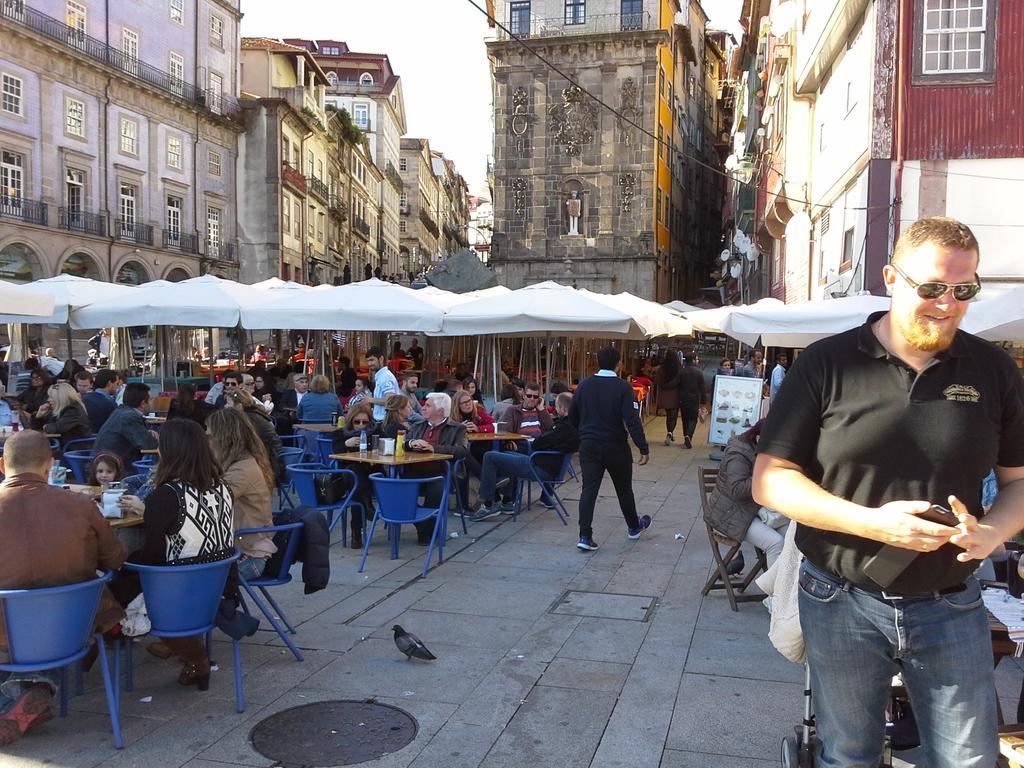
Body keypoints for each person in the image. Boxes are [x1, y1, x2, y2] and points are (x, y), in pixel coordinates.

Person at [752, 216, 1024, 768]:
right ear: (891, 278)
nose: (947, 304)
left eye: (963, 289)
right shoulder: (828, 364)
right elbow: (770, 478)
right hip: (840, 596)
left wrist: (996, 528)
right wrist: (873, 523)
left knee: (968, 760)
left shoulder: (994, 370)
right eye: (931, 288)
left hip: (951, 600)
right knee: (849, 755)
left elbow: (1019, 482)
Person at [0, 431, 126, 747]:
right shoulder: (81, 504)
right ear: (50, 465)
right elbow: (116, 557)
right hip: (72, 629)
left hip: (5, 636)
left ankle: (28, 688)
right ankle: (35, 686)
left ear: (3, 465)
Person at [121, 419, 236, 691]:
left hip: (179, 597)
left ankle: (195, 657)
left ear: (170, 452)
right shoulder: (223, 488)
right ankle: (192, 657)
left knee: (106, 588)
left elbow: (153, 561)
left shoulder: (166, 495)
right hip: (217, 591)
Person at [569, 346, 651, 551]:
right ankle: (633, 526)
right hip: (616, 445)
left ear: (597, 361)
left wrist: (584, 431)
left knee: (589, 490)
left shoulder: (584, 386)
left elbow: (572, 414)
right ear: (619, 363)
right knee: (624, 488)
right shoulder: (623, 388)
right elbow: (632, 420)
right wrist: (643, 447)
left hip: (589, 445)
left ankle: (585, 535)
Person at [475, 392, 579, 519]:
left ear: (563, 408)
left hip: (539, 468)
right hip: (546, 465)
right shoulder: (574, 425)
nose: (555, 409)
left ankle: (488, 505)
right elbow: (546, 439)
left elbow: (538, 442)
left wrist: (544, 439)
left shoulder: (564, 427)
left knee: (490, 456)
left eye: (556, 406)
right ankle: (504, 493)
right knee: (506, 454)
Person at [206, 408, 277, 579]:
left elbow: (208, 504)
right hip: (248, 550)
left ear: (223, 438)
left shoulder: (241, 471)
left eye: (208, 436)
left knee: (193, 577)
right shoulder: (243, 462)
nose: (206, 441)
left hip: (249, 558)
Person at [704, 421, 785, 567]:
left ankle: (787, 586)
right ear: (760, 438)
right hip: (729, 515)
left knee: (793, 537)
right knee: (776, 543)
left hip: (753, 510)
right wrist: (768, 475)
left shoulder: (761, 450)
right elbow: (737, 489)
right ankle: (777, 590)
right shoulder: (738, 452)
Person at [403, 393, 469, 545]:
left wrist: (433, 448)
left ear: (440, 410)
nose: (423, 408)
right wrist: (412, 443)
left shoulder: (458, 428)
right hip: (415, 470)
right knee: (395, 486)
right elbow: (402, 443)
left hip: (442, 471)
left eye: (428, 405)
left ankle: (427, 533)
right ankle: (424, 526)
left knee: (437, 486)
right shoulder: (418, 425)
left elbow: (462, 451)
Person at [330, 402, 378, 548]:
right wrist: (346, 444)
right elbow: (334, 453)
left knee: (358, 489)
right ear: (351, 421)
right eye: (357, 422)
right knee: (354, 476)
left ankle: (356, 532)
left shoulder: (376, 432)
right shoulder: (340, 434)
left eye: (365, 422)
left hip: (372, 471)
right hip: (349, 474)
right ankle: (366, 505)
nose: (361, 425)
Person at [93, 382, 159, 467]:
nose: (152, 402)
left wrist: (146, 433)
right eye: (150, 399)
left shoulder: (121, 411)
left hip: (105, 463)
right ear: (143, 403)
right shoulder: (130, 417)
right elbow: (148, 444)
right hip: (114, 468)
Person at [227, 390, 283, 482]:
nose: (226, 406)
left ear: (239, 406)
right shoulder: (252, 414)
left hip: (268, 464)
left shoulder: (248, 419)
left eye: (229, 403)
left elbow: (242, 443)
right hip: (266, 459)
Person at [31, 381, 92, 447]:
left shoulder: (73, 410)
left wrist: (46, 427)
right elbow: (37, 428)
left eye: (51, 397)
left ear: (60, 398)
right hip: (63, 445)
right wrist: (38, 416)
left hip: (75, 449)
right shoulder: (58, 409)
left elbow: (57, 428)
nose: (48, 399)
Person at [677, 351, 707, 449]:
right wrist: (703, 402)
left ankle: (686, 436)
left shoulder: (681, 371)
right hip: (694, 399)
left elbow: (676, 384)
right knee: (693, 419)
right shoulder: (699, 372)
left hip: (682, 399)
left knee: (685, 419)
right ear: (693, 360)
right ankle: (689, 435)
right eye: (697, 359)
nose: (698, 361)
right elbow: (703, 389)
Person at [364, 347, 400, 423]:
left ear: (381, 359)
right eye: (368, 361)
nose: (369, 364)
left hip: (386, 422)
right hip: (381, 421)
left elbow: (390, 400)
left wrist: (370, 400)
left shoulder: (386, 377)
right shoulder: (381, 376)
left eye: (372, 360)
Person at [655, 349, 682, 446]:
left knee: (668, 415)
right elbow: (681, 381)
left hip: (665, 395)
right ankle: (670, 433)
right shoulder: (679, 369)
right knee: (673, 415)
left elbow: (657, 380)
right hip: (675, 394)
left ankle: (670, 432)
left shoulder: (662, 368)